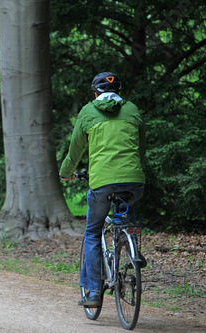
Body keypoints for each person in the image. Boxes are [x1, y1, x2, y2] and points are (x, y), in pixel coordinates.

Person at [59, 72, 146, 307]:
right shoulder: (133, 110)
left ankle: (94, 292)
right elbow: (140, 147)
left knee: (93, 232)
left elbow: (75, 150)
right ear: (118, 91)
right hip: (134, 181)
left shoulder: (88, 112)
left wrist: (66, 172)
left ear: (95, 93)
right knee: (127, 214)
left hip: (102, 183)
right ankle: (133, 247)